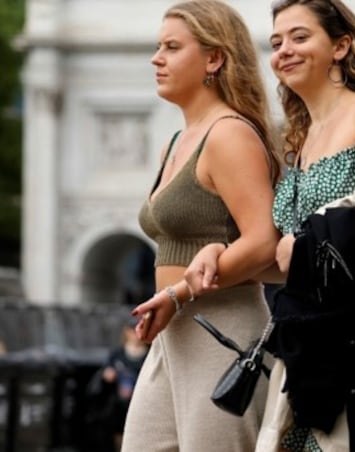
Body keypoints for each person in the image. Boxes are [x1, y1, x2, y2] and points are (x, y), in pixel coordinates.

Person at [187, 1, 355, 449]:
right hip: (305, 349)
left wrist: (307, 247)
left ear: (341, 45)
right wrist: (219, 253)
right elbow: (288, 260)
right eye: (277, 43)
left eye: (300, 37)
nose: (284, 51)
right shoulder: (299, 139)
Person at [122, 1, 281, 451]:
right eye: (158, 46)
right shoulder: (175, 142)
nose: (157, 58)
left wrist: (178, 293)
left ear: (214, 58)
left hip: (222, 330)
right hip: (174, 335)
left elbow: (264, 240)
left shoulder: (229, 134)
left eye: (172, 47)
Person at [86, 320, 149, 451]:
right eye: (133, 330)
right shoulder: (117, 354)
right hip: (118, 404)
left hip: (140, 401)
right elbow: (105, 375)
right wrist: (108, 376)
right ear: (127, 332)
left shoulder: (149, 354)